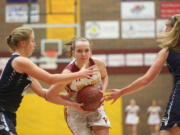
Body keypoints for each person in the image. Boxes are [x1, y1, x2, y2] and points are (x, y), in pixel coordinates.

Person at [0, 27, 95, 135]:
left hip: (9, 113)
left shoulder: (23, 67)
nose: (34, 44)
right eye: (32, 41)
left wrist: (71, 102)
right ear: (22, 43)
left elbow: (44, 94)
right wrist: (79, 74)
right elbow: (50, 79)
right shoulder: (20, 61)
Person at [105, 14, 180, 135]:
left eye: (167, 27)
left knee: (167, 132)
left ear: (174, 30)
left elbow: (146, 79)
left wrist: (122, 91)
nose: (165, 31)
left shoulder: (167, 51)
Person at [46, 37, 111, 135]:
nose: (84, 54)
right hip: (76, 110)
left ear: (90, 52)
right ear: (73, 53)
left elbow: (105, 76)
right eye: (79, 51)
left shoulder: (98, 63)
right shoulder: (68, 73)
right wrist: (73, 105)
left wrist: (102, 91)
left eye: (86, 50)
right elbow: (50, 96)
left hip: (95, 106)